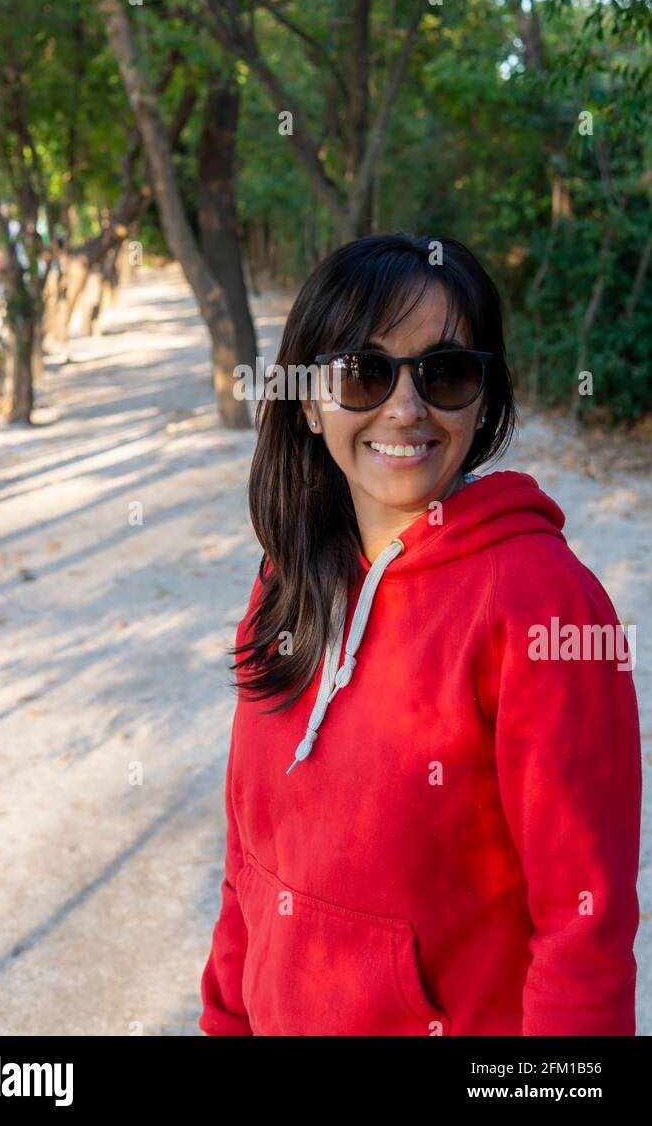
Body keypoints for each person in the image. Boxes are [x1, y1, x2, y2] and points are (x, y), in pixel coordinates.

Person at [199, 232, 642, 1037]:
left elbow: (585, 929)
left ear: (484, 396)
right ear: (307, 398)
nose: (406, 409)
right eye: (363, 373)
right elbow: (248, 863)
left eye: (444, 372)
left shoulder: (543, 604)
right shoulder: (286, 579)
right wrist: (226, 1021)